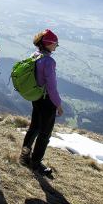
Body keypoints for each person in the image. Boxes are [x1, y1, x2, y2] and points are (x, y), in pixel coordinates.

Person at [19, 29, 63, 176]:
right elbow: (51, 86)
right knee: (44, 134)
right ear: (49, 44)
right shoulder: (49, 61)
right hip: (47, 101)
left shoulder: (35, 55)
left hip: (36, 98)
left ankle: (24, 156)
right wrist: (58, 104)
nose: (56, 46)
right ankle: (36, 163)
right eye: (55, 43)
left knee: (34, 128)